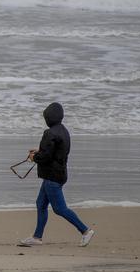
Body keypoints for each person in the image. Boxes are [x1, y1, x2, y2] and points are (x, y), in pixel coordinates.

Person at [19, 102, 95, 247]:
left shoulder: (49, 133)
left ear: (48, 118)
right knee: (40, 204)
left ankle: (85, 230)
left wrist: (34, 157)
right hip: (59, 174)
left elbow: (46, 157)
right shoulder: (64, 131)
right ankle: (37, 237)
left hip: (52, 177)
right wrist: (39, 153)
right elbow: (53, 152)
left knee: (60, 209)